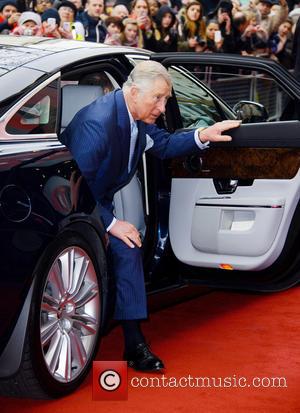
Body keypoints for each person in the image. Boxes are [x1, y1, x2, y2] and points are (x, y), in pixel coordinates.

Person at [60, 61, 241, 372]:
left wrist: (203, 135)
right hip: (69, 205)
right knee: (126, 238)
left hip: (96, 198)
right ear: (132, 92)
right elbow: (77, 186)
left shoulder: (134, 115)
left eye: (166, 99)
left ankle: (133, 343)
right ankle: (130, 339)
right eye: (158, 98)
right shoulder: (98, 122)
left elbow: (165, 144)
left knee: (129, 248)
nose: (162, 106)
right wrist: (112, 223)